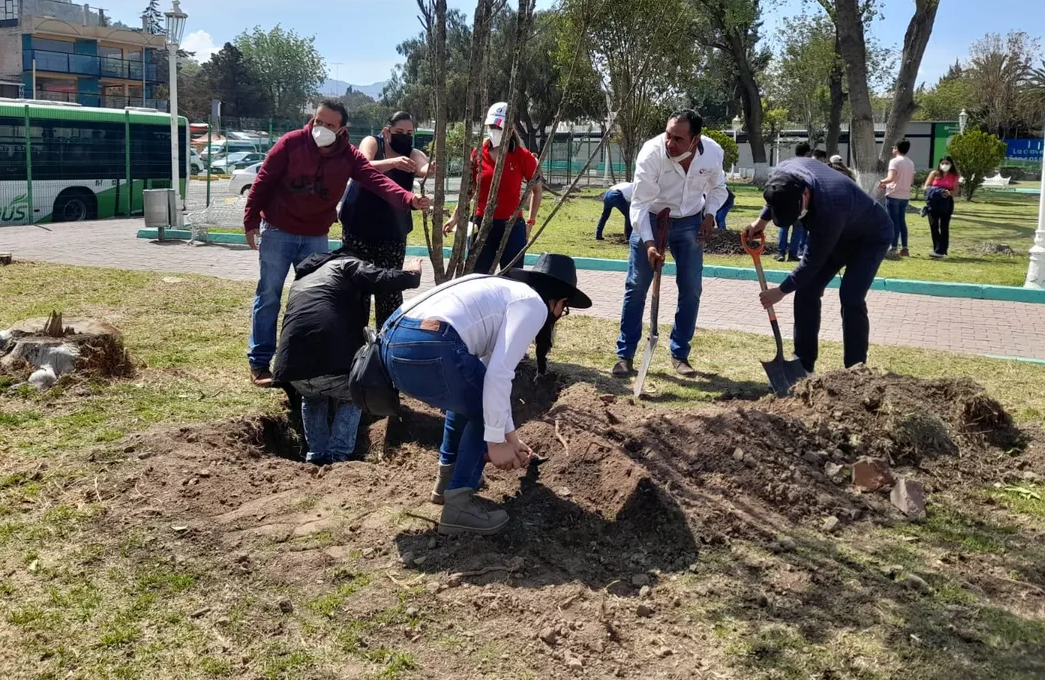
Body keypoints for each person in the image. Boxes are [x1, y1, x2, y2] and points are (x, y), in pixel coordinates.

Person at [379, 253, 591, 534]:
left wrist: (512, 438)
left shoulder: (500, 292)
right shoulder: (533, 305)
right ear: (559, 301)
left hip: (392, 343)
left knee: (469, 397)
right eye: (564, 309)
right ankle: (459, 504)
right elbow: (498, 377)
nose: (558, 316)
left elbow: (484, 376)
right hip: (429, 344)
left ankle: (446, 484)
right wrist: (496, 443)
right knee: (481, 400)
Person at [243, 100, 431, 386]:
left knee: (315, 300)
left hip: (316, 236)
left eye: (329, 125)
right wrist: (250, 221)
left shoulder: (348, 156)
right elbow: (263, 181)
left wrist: (409, 199)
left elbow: (375, 180)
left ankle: (306, 363)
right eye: (318, 121)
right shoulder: (291, 143)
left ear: (342, 129)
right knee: (269, 295)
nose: (321, 128)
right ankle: (260, 362)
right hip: (278, 231)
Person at [743, 155, 893, 373]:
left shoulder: (830, 205)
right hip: (840, 229)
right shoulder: (784, 174)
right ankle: (803, 364)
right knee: (806, 290)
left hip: (870, 237)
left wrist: (781, 291)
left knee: (851, 297)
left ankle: (855, 369)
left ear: (805, 194)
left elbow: (811, 262)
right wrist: (761, 221)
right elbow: (776, 195)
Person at [272, 250, 423, 464]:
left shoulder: (302, 280)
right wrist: (412, 275)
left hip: (292, 367)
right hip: (327, 359)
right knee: (354, 394)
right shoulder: (346, 264)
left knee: (312, 396)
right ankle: (339, 454)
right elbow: (380, 278)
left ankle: (316, 454)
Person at [613, 110, 726, 379]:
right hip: (652, 218)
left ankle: (679, 354)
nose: (670, 143)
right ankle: (625, 355)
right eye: (668, 135)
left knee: (691, 288)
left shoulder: (712, 152)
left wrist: (710, 215)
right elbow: (639, 204)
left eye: (678, 138)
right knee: (637, 285)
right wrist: (650, 244)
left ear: (695, 139)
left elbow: (718, 187)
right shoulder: (651, 153)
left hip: (690, 222)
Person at [339, 111, 430, 327]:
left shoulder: (412, 153)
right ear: (386, 131)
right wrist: (393, 162)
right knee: (356, 286)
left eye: (409, 132)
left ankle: (386, 337)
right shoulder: (372, 142)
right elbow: (363, 165)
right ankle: (353, 340)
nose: (405, 136)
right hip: (358, 226)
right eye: (400, 132)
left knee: (390, 289)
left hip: (392, 231)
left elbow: (422, 167)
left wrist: (430, 169)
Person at [443, 102, 542, 274]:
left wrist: (530, 223)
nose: (494, 130)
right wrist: (455, 217)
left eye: (499, 126)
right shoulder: (478, 153)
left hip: (512, 227)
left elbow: (537, 190)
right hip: (481, 225)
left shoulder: (523, 157)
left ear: (510, 128)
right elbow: (469, 190)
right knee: (477, 276)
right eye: (491, 126)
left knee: (513, 278)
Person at [776, 142, 813, 262]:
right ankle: (793, 253)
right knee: (797, 227)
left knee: (784, 227)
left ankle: (781, 253)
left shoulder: (787, 165)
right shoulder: (807, 166)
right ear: (807, 153)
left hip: (783, 200)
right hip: (798, 202)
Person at [879, 139, 915, 257]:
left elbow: (890, 178)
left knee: (893, 222)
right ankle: (904, 247)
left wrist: (881, 182)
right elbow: (912, 180)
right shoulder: (910, 162)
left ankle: (893, 246)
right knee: (901, 221)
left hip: (893, 194)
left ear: (897, 148)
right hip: (904, 196)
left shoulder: (894, 161)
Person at [923, 156, 960, 259]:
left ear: (951, 164)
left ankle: (941, 250)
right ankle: (938, 249)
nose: (944, 165)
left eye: (947, 163)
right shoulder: (934, 174)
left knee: (944, 227)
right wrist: (936, 191)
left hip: (946, 203)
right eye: (942, 163)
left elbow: (956, 192)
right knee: (933, 225)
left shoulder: (954, 176)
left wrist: (949, 193)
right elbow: (925, 187)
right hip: (933, 202)